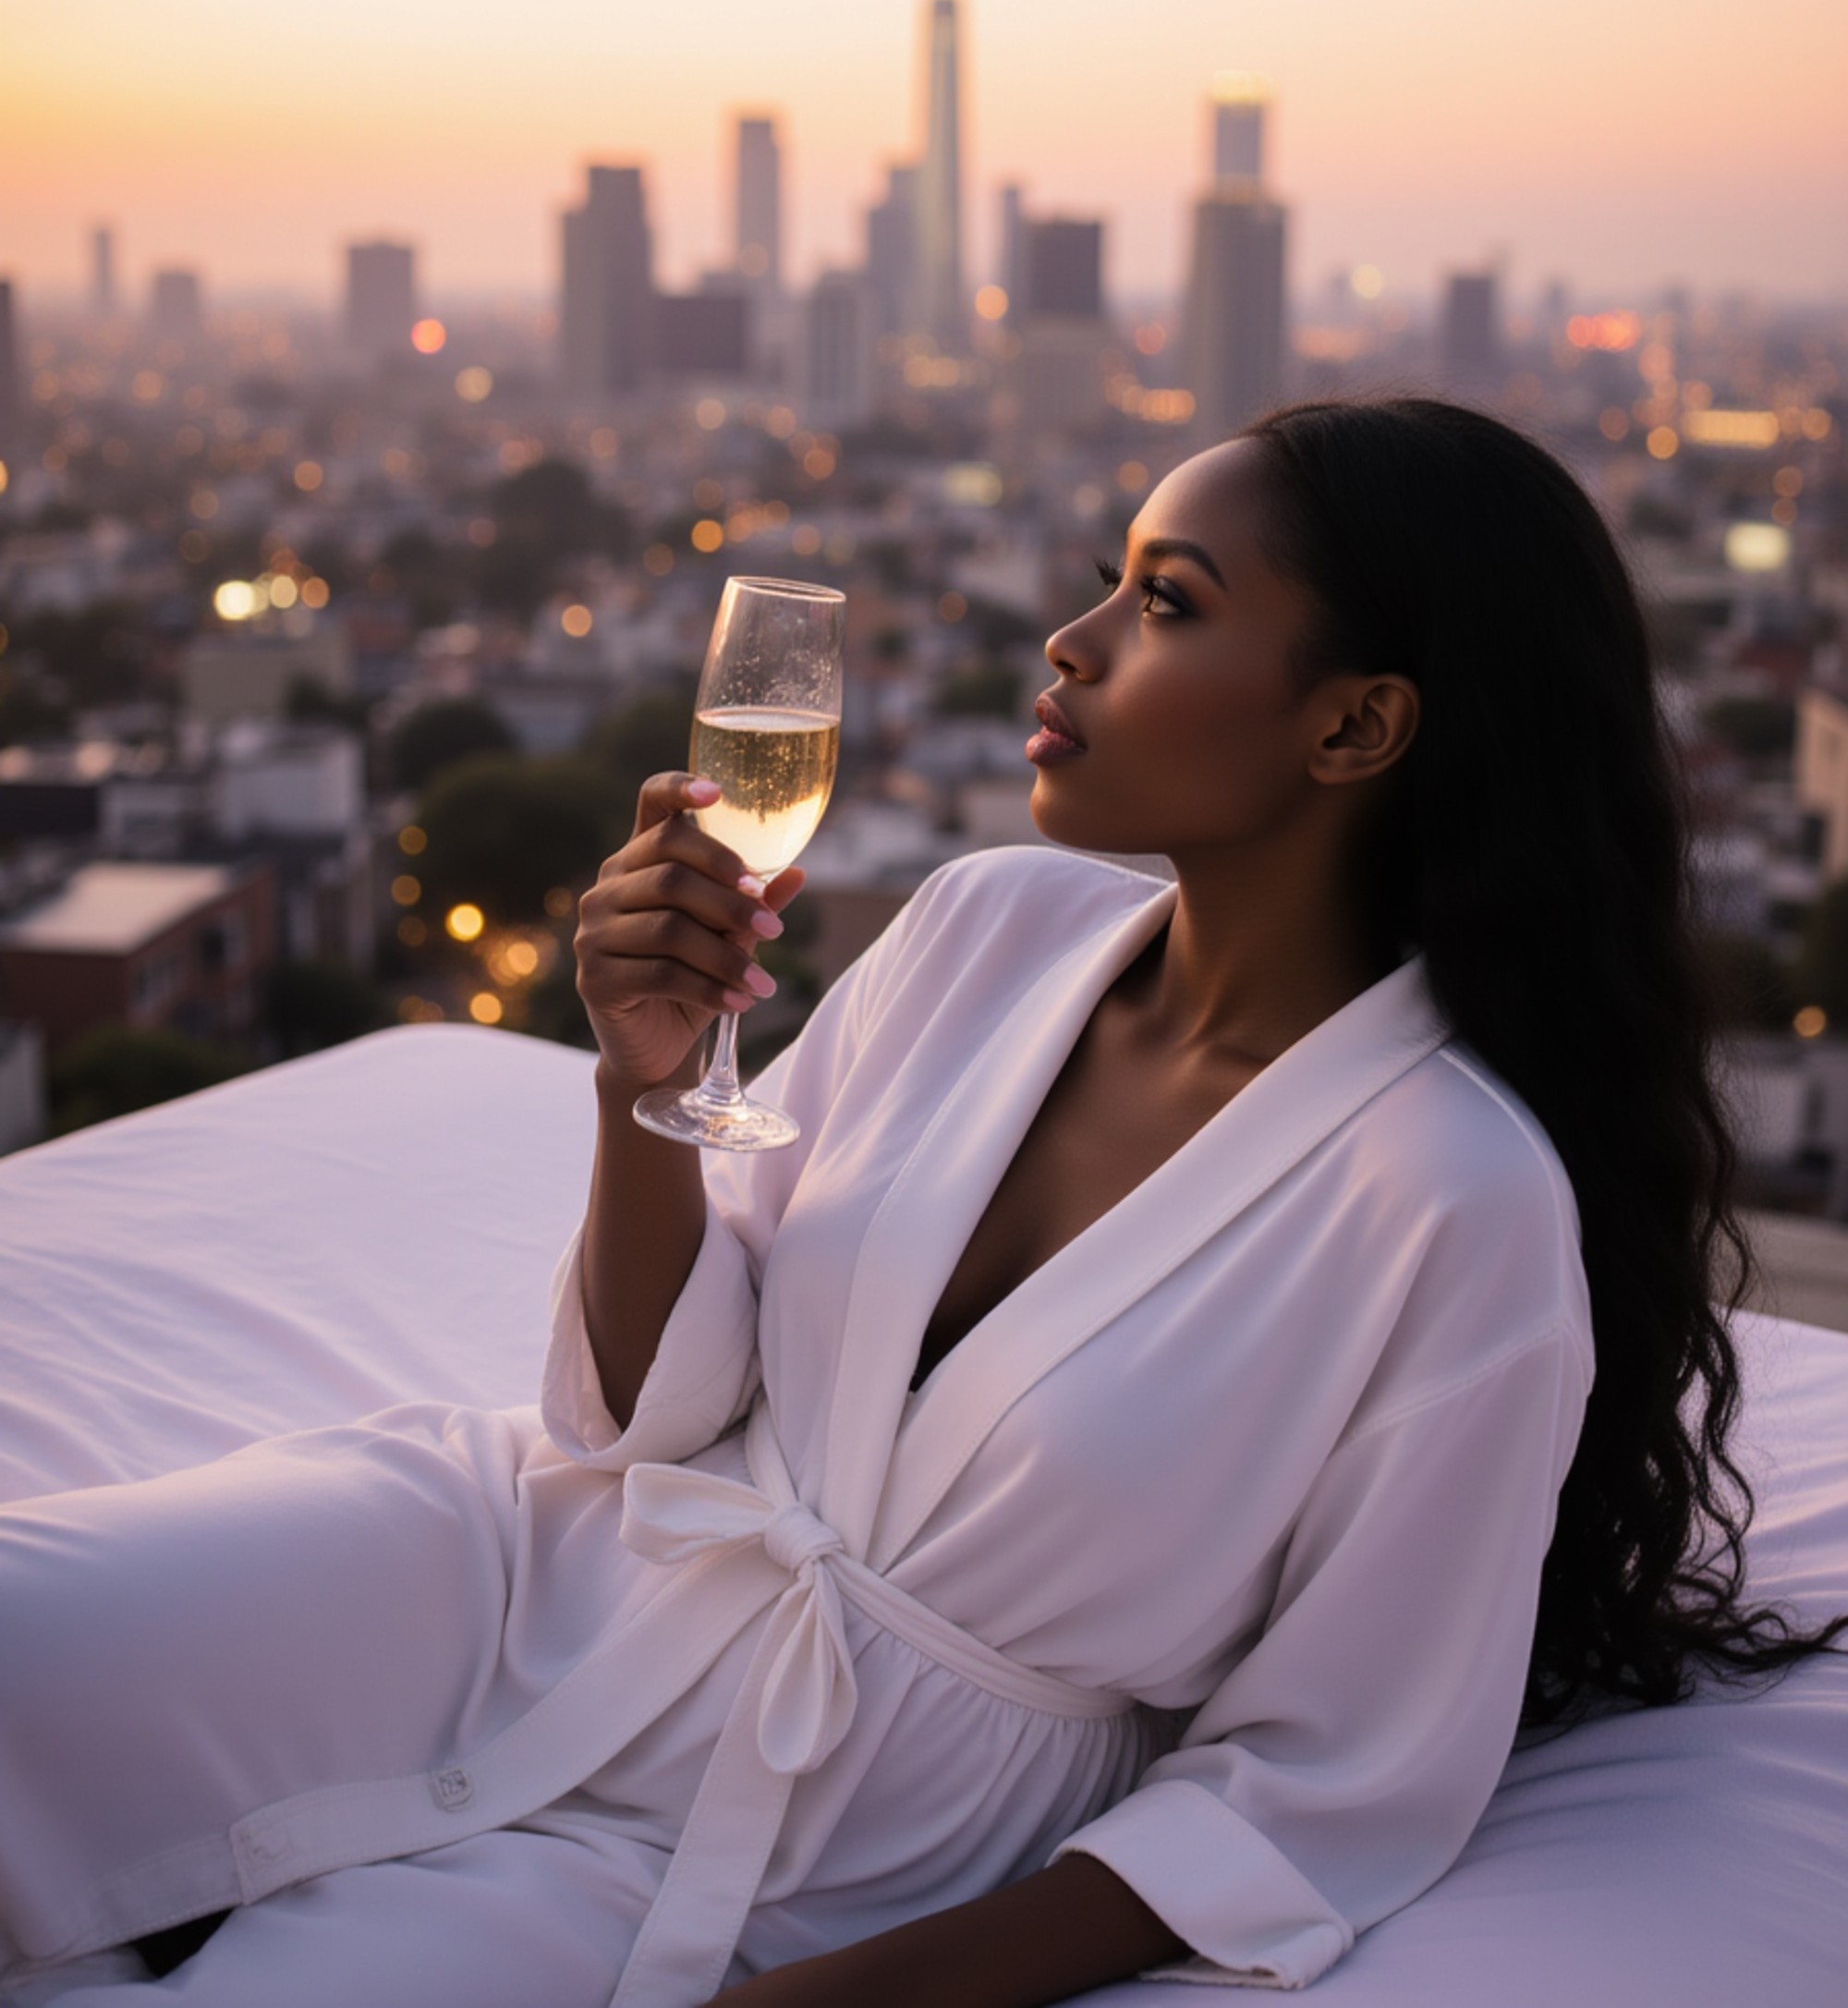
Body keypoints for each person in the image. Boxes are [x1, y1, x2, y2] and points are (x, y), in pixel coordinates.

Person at [2, 398, 1840, 2008]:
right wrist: (651, 1083)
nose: (1068, 637)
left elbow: (1318, 1783)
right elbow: (657, 1395)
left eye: (1167, 599)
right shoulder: (978, 924)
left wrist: (826, 2002)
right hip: (518, 1562)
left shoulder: (1452, 1205)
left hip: (812, 1822)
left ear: (1354, 724)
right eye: (1110, 577)